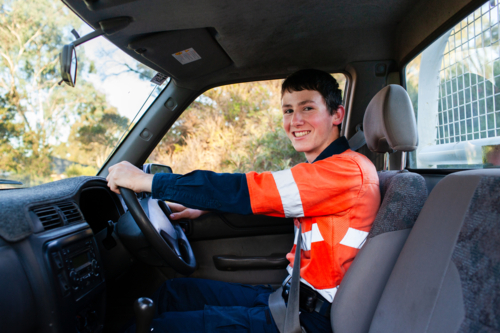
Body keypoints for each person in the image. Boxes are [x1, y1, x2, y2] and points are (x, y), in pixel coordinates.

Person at [107, 69, 380, 333]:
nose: (295, 120)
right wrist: (202, 206)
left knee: (160, 329)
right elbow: (267, 197)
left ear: (336, 114)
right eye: (288, 110)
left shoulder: (345, 171)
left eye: (307, 108)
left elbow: (244, 188)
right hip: (291, 301)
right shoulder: (329, 171)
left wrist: (148, 182)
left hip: (307, 322)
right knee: (175, 292)